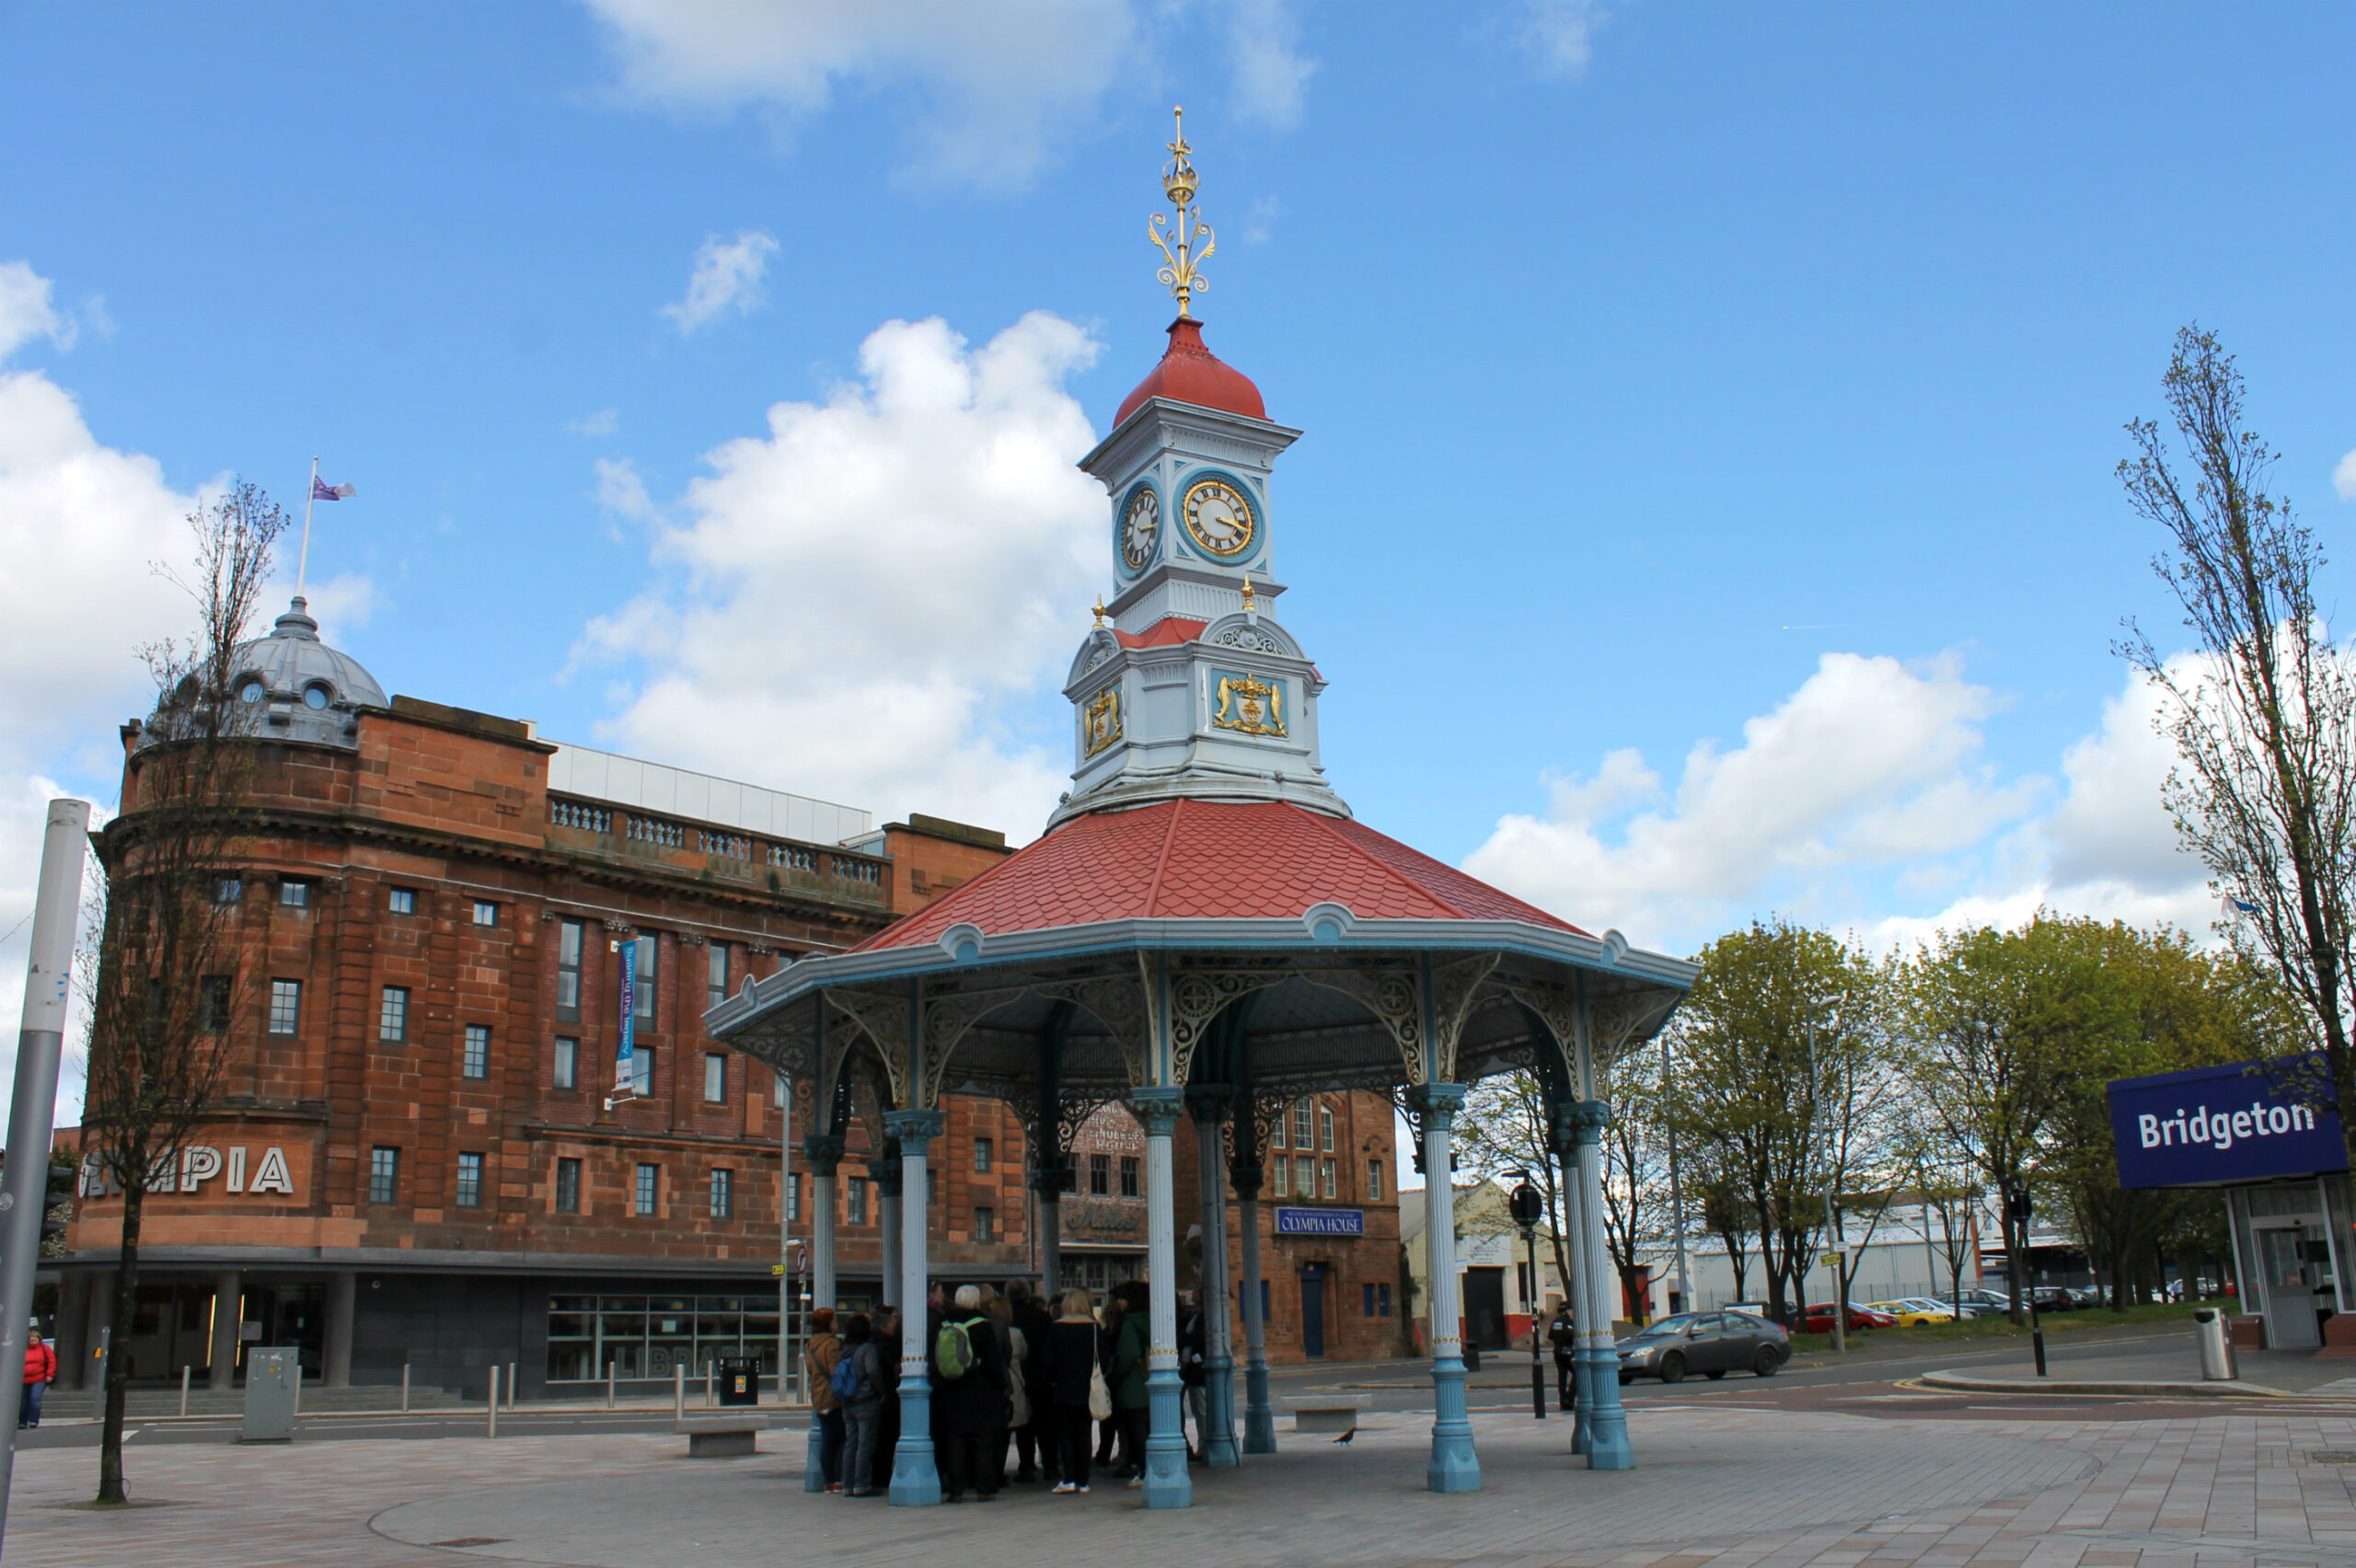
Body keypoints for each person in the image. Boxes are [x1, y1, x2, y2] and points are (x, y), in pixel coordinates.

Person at [934, 1285, 1007, 1503]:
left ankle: (956, 1489)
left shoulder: (945, 1323)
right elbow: (994, 1360)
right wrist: (1000, 1385)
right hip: (980, 1390)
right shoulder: (982, 1325)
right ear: (977, 1303)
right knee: (982, 1439)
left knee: (956, 1440)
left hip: (953, 1388)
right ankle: (984, 1488)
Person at [1042, 1287, 1105, 1494]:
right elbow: (1105, 1358)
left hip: (1064, 1387)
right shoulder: (1094, 1328)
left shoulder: (1057, 1328)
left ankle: (1068, 1479)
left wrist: (1053, 1379)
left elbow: (1049, 1361)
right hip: (1088, 1387)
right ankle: (1084, 1480)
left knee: (1066, 1435)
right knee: (1084, 1434)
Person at [1008, 1279, 1057, 1484]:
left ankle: (1026, 1466)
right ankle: (1051, 1466)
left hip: (1017, 1378)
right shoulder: (1042, 1318)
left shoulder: (1009, 1318)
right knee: (1046, 1425)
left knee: (1023, 1426)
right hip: (1041, 1377)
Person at [1108, 1281, 1151, 1486]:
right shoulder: (1150, 1320)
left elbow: (1127, 1354)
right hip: (1149, 1382)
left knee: (1137, 1430)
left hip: (1133, 1385)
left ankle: (1144, 1471)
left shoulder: (1128, 1323)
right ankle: (1147, 1468)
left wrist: (1114, 1374)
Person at [837, 1314, 885, 1497]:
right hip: (865, 1400)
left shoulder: (843, 1349)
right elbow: (873, 1371)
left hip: (847, 1401)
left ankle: (847, 1485)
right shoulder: (867, 1348)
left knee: (850, 1443)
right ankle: (862, 1484)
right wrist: (881, 1392)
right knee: (865, 1444)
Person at [804, 1308, 847, 1493]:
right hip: (832, 1397)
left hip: (818, 1397)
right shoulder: (832, 1344)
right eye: (835, 1321)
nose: (837, 1325)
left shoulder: (810, 1345)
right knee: (841, 1439)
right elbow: (835, 1372)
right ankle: (837, 1479)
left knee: (827, 1440)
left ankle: (828, 1481)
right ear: (828, 1324)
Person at [873, 1306, 902, 1486]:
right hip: (888, 1396)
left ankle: (880, 1475)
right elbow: (893, 1368)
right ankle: (881, 1476)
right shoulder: (886, 1346)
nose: (895, 1328)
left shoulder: (873, 1344)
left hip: (882, 1396)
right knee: (887, 1439)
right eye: (892, 1324)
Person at [1179, 1291, 1207, 1461]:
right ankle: (1202, 1445)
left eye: (1197, 1292)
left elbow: (1196, 1339)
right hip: (1193, 1371)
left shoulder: (1202, 1317)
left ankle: (1204, 1446)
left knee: (1202, 1411)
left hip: (1199, 1371)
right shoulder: (1196, 1315)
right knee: (1199, 1411)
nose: (1193, 1294)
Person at [19, 1322, 54, 1430]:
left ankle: (34, 1420)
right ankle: (22, 1422)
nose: (33, 1342)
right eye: (31, 1340)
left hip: (39, 1378)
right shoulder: (24, 1350)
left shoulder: (45, 1349)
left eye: (35, 1340)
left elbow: (52, 1361)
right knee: (24, 1401)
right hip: (24, 1379)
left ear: (39, 1340)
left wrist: (50, 1374)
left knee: (35, 1398)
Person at [1547, 1304, 1576, 1412]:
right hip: (1567, 1351)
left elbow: (1550, 1336)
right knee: (1578, 1373)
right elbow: (1571, 1335)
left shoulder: (1556, 1321)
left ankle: (1562, 1400)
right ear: (1568, 1311)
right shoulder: (1569, 1322)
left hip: (1557, 1351)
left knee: (1562, 1376)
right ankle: (1569, 1398)